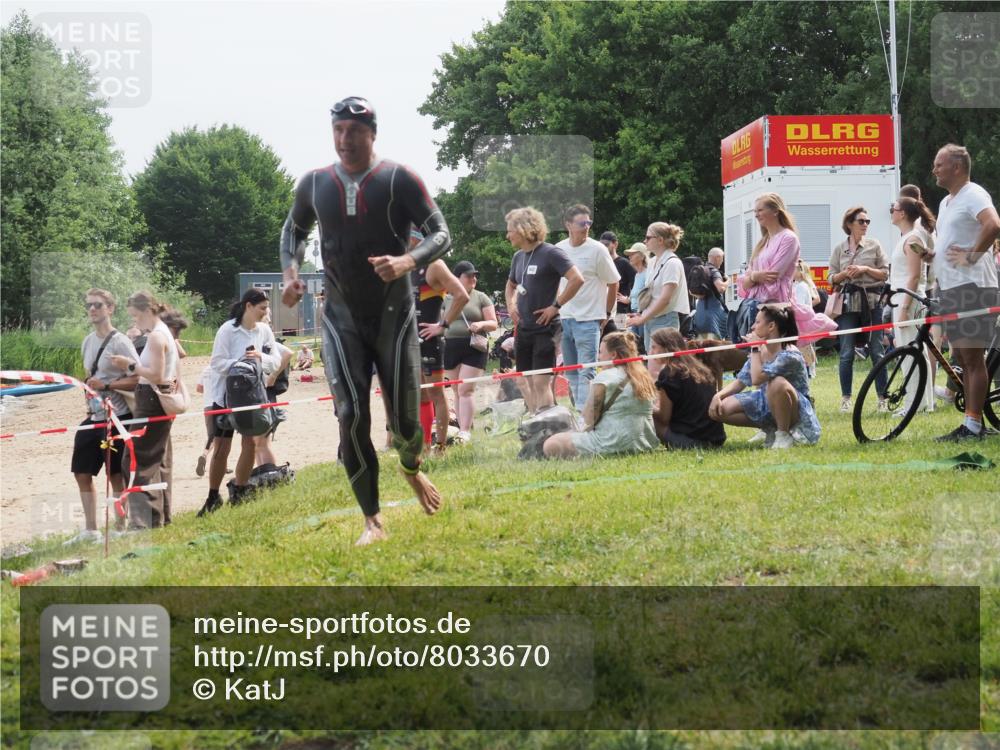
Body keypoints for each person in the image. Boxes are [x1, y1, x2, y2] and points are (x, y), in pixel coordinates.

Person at [279, 96, 451, 545]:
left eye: (354, 132)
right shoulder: (315, 183)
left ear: (372, 134)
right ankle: (372, 520)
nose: (345, 140)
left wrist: (407, 260)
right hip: (341, 319)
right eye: (338, 131)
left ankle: (411, 467)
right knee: (351, 414)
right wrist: (291, 274)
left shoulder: (398, 178)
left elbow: (441, 232)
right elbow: (293, 230)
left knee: (406, 425)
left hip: (395, 318)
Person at [927, 143, 1000, 441]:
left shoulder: (974, 193)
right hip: (953, 288)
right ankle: (972, 421)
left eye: (939, 164)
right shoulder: (946, 203)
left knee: (971, 359)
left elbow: (993, 224)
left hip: (973, 287)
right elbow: (950, 242)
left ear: (956, 167)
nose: (934, 169)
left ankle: (972, 425)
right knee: (961, 356)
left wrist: (972, 255)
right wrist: (933, 256)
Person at [67, 289, 140, 544]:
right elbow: (92, 378)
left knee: (116, 474)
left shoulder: (121, 342)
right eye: (89, 305)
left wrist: (107, 386)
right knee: (81, 472)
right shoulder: (88, 341)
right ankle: (91, 530)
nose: (92, 309)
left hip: (118, 416)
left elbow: (138, 378)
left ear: (110, 308)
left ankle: (120, 527)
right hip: (94, 416)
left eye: (98, 305)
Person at [199, 289, 281, 515]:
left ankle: (241, 490)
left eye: (266, 308)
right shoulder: (228, 330)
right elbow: (217, 363)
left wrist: (261, 358)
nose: (266, 312)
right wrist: (241, 365)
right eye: (262, 308)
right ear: (248, 306)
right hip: (225, 396)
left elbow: (275, 361)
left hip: (252, 396)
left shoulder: (264, 330)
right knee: (221, 448)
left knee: (250, 443)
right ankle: (213, 496)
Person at [504, 206, 584, 414]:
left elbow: (577, 279)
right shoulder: (518, 257)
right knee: (524, 380)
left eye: (510, 230)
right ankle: (535, 420)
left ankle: (547, 422)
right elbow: (510, 285)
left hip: (545, 327)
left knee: (541, 381)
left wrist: (555, 307)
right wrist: (511, 305)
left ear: (523, 229)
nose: (507, 235)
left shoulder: (551, 253)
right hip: (524, 328)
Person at [108, 291, 177, 529]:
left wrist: (128, 365)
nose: (135, 321)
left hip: (151, 399)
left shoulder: (156, 337)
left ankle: (143, 522)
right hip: (157, 398)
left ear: (148, 311)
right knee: (157, 460)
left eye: (136, 316)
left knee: (136, 461)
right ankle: (160, 518)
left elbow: (156, 375)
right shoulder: (163, 333)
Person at [709, 304, 820, 449]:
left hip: (796, 410)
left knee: (777, 383)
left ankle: (783, 434)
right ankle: (770, 429)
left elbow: (757, 379)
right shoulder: (761, 350)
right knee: (722, 409)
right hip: (766, 400)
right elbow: (741, 382)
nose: (752, 327)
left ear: (771, 326)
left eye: (757, 322)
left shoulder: (790, 354)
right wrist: (718, 396)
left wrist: (755, 348)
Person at [541, 331, 658, 458]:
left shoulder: (605, 377)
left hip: (611, 443)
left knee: (551, 444)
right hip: (645, 444)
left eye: (601, 352)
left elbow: (588, 420)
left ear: (613, 355)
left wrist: (572, 431)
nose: (598, 357)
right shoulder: (644, 376)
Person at [555, 204, 620, 408]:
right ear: (568, 225)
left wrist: (606, 313)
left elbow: (614, 282)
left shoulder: (598, 250)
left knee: (587, 371)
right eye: (582, 223)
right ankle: (580, 411)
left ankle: (586, 415)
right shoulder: (558, 249)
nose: (586, 227)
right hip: (565, 319)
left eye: (589, 222)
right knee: (571, 372)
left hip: (589, 320)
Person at [411, 231, 469, 452]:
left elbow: (461, 295)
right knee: (421, 394)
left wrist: (442, 325)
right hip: (413, 341)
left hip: (431, 341)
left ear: (416, 237)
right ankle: (425, 446)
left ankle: (441, 446)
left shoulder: (435, 265)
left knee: (436, 393)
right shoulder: (410, 265)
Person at [828, 205, 890, 412]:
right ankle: (846, 399)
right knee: (846, 352)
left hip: (872, 302)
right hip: (848, 304)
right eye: (861, 221)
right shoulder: (840, 248)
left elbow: (885, 273)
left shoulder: (874, 245)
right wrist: (844, 274)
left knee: (877, 351)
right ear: (849, 224)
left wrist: (865, 269)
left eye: (867, 221)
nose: (865, 225)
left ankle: (883, 398)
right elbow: (831, 278)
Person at [889, 196, 937, 413]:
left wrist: (905, 308)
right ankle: (923, 403)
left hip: (908, 299)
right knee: (916, 352)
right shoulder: (910, 238)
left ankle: (914, 405)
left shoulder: (912, 238)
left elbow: (914, 276)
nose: (891, 212)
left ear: (902, 214)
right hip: (906, 298)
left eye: (894, 209)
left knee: (910, 352)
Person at [732, 193, 800, 344]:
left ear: (775, 211)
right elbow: (745, 282)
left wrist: (752, 278)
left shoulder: (789, 238)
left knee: (773, 351)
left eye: (760, 210)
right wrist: (755, 277)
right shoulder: (763, 242)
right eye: (755, 211)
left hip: (775, 307)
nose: (756, 215)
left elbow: (773, 276)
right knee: (754, 351)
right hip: (757, 307)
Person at [443, 260, 498, 443]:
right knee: (456, 390)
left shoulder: (481, 297)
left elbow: (493, 323)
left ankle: (465, 431)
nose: (473, 278)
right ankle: (463, 427)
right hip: (450, 346)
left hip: (474, 346)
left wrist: (480, 324)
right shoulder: (446, 298)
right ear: (457, 278)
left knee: (465, 389)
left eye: (475, 276)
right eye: (469, 275)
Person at [649, 327, 726, 450]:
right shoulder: (701, 368)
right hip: (716, 438)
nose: (651, 353)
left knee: (647, 416)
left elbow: (664, 418)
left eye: (654, 347)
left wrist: (646, 407)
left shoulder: (669, 373)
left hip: (691, 440)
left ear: (667, 348)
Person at [626, 222, 689, 354]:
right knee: (653, 362)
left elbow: (665, 299)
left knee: (662, 362)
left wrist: (642, 318)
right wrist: (642, 314)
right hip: (651, 319)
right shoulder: (653, 262)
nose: (645, 241)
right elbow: (653, 295)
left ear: (660, 240)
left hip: (665, 320)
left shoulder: (672, 263)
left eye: (648, 238)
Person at [690, 247, 729, 339]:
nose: (722, 261)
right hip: (713, 315)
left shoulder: (701, 271)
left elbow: (691, 292)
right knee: (714, 345)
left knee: (703, 344)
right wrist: (728, 281)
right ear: (718, 257)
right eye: (722, 258)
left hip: (700, 314)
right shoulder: (714, 271)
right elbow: (721, 288)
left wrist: (702, 296)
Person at [600, 230, 636, 330]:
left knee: (619, 336)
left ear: (615, 244)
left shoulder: (624, 263)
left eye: (606, 244)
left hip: (620, 309)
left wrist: (629, 300)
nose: (604, 247)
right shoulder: (600, 262)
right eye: (601, 245)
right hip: (603, 308)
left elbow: (637, 283)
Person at [792, 260, 820, 378]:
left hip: (800, 321)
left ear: (800, 271)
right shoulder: (800, 285)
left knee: (803, 346)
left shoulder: (801, 286)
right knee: (805, 346)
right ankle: (809, 369)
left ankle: (808, 370)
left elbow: (799, 306)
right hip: (803, 319)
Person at [620, 242, 649, 351]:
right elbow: (637, 295)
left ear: (642, 256)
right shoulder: (637, 275)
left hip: (643, 315)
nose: (629, 257)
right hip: (635, 314)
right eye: (629, 254)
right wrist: (627, 300)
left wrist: (640, 313)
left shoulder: (648, 274)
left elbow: (649, 296)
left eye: (632, 254)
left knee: (642, 346)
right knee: (635, 346)